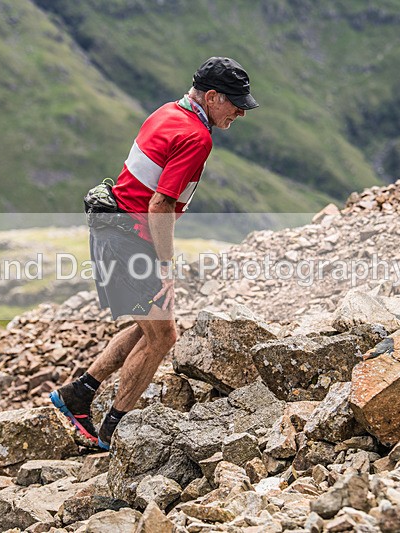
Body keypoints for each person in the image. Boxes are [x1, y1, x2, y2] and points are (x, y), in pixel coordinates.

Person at [50, 57, 258, 450]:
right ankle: (113, 432)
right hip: (130, 238)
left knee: (149, 324)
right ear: (213, 97)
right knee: (163, 335)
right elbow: (160, 205)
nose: (240, 112)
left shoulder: (168, 111)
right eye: (235, 103)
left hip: (112, 228)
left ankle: (79, 393)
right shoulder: (197, 136)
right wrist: (166, 267)